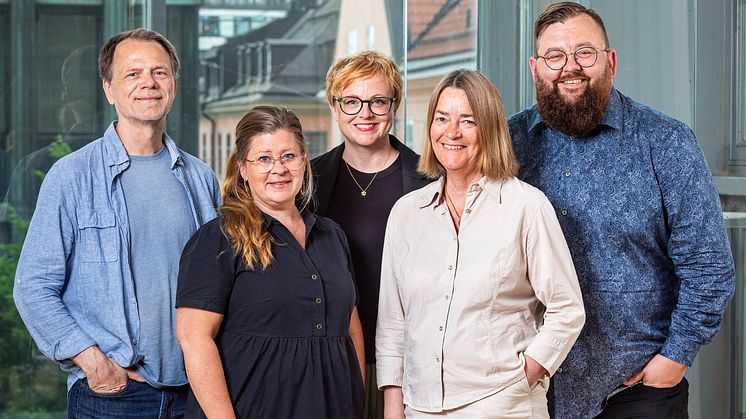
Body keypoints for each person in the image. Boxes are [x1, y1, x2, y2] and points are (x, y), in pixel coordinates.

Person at [508, 3, 737, 418]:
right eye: (555, 56)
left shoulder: (666, 142)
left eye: (585, 53)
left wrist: (675, 358)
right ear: (535, 67)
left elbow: (709, 265)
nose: (570, 67)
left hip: (635, 389)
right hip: (529, 391)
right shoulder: (508, 144)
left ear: (610, 60)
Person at [12, 28, 221, 417]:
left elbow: (222, 284)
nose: (149, 83)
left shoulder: (200, 178)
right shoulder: (72, 177)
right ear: (109, 89)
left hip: (196, 391)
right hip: (112, 396)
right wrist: (95, 364)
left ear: (173, 84)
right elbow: (33, 288)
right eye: (133, 73)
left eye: (160, 72)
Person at [376, 69, 585, 418]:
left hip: (502, 406)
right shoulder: (406, 214)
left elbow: (567, 309)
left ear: (488, 130)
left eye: (467, 121)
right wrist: (394, 408)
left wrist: (524, 376)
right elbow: (393, 324)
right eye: (441, 118)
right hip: (421, 408)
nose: (451, 132)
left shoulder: (526, 207)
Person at [176, 106, 365, 418]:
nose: (278, 168)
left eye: (288, 156)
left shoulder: (332, 236)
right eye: (263, 158)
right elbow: (194, 339)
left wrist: (355, 405)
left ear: (304, 160)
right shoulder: (218, 239)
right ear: (243, 168)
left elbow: (351, 329)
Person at [311, 50, 430, 418]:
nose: (365, 114)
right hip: (332, 357)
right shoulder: (307, 182)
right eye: (352, 101)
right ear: (334, 106)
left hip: (414, 360)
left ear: (394, 106)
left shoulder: (430, 179)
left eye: (378, 101)